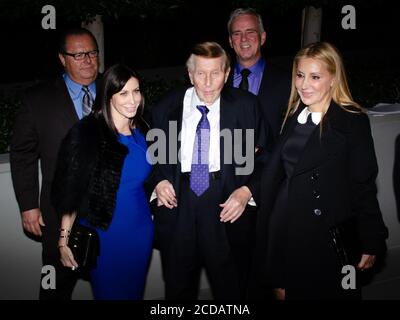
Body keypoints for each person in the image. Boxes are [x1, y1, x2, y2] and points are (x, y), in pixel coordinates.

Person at [252, 41, 388, 300]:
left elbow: (363, 184)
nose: (304, 84)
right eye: (300, 75)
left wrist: (371, 238)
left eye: (315, 77)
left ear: (333, 78)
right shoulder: (295, 116)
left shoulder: (351, 122)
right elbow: (280, 170)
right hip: (282, 225)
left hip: (324, 234)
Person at [149, 41, 267, 300]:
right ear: (190, 74)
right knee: (178, 287)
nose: (208, 82)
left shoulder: (246, 107)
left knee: (232, 286)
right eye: (200, 73)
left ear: (226, 74)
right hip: (179, 202)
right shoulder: (166, 107)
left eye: (215, 73)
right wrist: (158, 182)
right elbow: (152, 159)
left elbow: (267, 159)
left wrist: (247, 191)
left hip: (226, 201)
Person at [10, 27, 99, 299]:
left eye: (93, 53)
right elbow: (22, 154)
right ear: (62, 58)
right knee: (55, 285)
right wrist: (28, 206)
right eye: (79, 54)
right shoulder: (37, 100)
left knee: (114, 281)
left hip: (113, 210)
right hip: (59, 211)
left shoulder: (116, 89)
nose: (88, 60)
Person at [51, 64, 154, 300]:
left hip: (140, 233)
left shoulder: (144, 129)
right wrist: (63, 240)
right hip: (105, 236)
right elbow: (71, 193)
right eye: (124, 93)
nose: (133, 100)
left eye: (136, 91)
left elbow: (151, 176)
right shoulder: (88, 134)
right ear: (108, 95)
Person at [227, 7, 291, 143]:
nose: (244, 39)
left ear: (262, 37)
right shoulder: (217, 81)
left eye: (250, 32)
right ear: (231, 42)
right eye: (237, 33)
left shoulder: (286, 82)